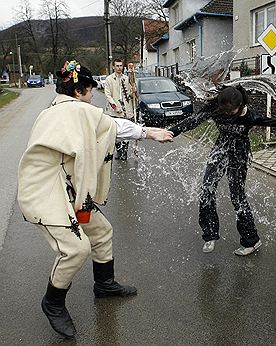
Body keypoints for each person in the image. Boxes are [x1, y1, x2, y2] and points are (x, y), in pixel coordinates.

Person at [17, 60, 173, 339]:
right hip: (44, 192)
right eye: (90, 91)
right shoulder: (74, 110)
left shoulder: (60, 109)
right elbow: (111, 126)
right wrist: (149, 132)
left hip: (65, 187)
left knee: (101, 232)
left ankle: (104, 285)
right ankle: (52, 302)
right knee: (76, 248)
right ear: (79, 92)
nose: (92, 97)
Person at [169, 85, 276, 255]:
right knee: (207, 189)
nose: (226, 114)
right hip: (220, 149)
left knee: (237, 196)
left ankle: (251, 241)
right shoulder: (216, 108)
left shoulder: (249, 115)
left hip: (239, 153)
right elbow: (193, 121)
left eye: (231, 111)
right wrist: (171, 132)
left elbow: (272, 121)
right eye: (224, 111)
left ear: (240, 106)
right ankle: (210, 234)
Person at [104, 58, 136, 160]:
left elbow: (131, 94)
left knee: (126, 132)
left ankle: (125, 152)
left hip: (127, 110)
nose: (119, 68)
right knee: (116, 133)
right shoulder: (109, 79)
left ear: (123, 67)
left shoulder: (127, 78)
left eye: (120, 66)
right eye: (117, 66)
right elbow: (108, 95)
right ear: (113, 67)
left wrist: (134, 91)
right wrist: (115, 107)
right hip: (114, 111)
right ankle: (119, 151)